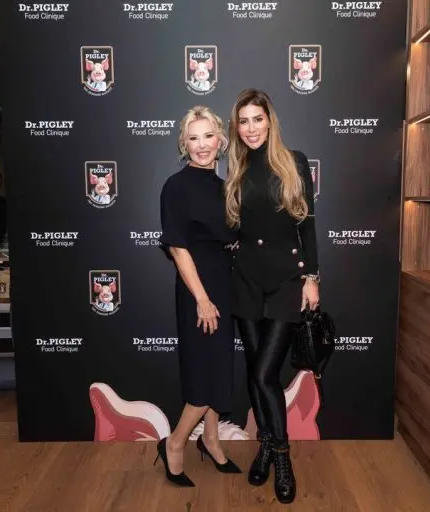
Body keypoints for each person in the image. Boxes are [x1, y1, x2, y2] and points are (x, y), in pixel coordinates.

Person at [224, 89, 320, 504]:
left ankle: (281, 456)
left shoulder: (294, 162)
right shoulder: (236, 169)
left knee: (265, 373)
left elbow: (308, 225)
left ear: (270, 120)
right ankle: (264, 443)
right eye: (243, 121)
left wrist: (311, 277)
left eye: (257, 119)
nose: (251, 129)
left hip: (286, 281)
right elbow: (232, 228)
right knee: (254, 370)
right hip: (246, 281)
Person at [155, 105, 242, 487]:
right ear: (184, 144)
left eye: (208, 136)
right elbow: (178, 248)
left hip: (225, 284)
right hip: (197, 289)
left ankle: (211, 438)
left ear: (221, 140)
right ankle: (175, 443)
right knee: (205, 378)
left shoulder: (225, 187)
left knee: (218, 370)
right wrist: (203, 300)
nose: (202, 145)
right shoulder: (176, 186)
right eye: (193, 138)